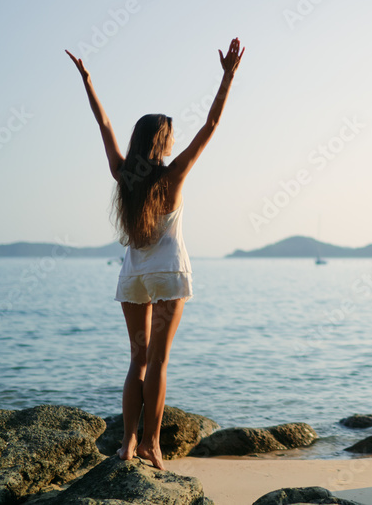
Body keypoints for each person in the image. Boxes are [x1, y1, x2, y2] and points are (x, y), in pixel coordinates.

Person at [66, 38, 245, 469]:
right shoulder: (175, 175)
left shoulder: (124, 175)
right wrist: (228, 76)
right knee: (159, 362)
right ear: (163, 141)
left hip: (133, 277)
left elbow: (104, 126)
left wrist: (88, 81)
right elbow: (212, 126)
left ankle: (126, 443)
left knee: (137, 360)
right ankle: (152, 444)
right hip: (167, 274)